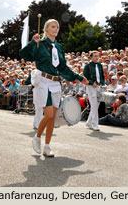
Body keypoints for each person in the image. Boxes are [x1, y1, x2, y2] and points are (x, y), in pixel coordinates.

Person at [20, 19, 86, 157]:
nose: (56, 29)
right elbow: (24, 55)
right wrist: (33, 42)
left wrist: (79, 77)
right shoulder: (39, 44)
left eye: (57, 27)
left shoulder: (59, 47)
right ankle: (37, 137)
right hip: (43, 81)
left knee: (52, 117)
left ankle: (47, 146)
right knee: (49, 114)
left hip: (56, 83)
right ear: (46, 29)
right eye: (52, 26)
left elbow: (62, 67)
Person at [83, 51, 105, 131]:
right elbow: (85, 77)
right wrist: (92, 83)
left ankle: (89, 122)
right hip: (91, 87)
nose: (97, 57)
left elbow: (102, 76)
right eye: (95, 56)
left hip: (99, 86)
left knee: (96, 105)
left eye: (97, 56)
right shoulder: (87, 66)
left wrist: (103, 84)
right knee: (94, 105)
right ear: (91, 57)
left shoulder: (99, 65)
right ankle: (95, 124)